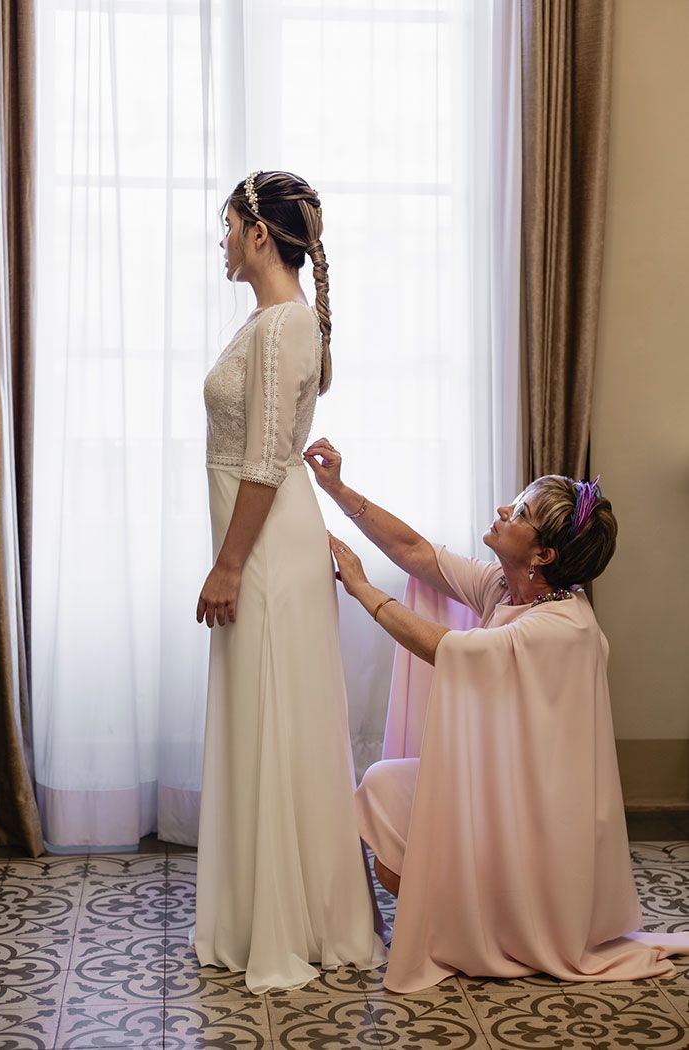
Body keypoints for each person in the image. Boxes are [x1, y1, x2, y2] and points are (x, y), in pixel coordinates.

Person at [304, 437, 688, 992]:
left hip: (537, 821)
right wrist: (338, 489)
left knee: (390, 804)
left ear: (543, 556)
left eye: (522, 513)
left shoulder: (561, 627)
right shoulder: (510, 590)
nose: (505, 509)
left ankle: (479, 923)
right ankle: (465, 916)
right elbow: (416, 552)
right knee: (384, 791)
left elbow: (446, 648)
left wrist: (362, 589)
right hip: (499, 792)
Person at [194, 173, 385, 995]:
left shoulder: (284, 324)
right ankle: (265, 912)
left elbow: (267, 462)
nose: (223, 241)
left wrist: (230, 564)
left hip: (268, 548)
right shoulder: (272, 321)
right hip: (265, 540)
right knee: (263, 717)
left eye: (228, 225)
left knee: (277, 716)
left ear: (259, 235)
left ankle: (293, 924)